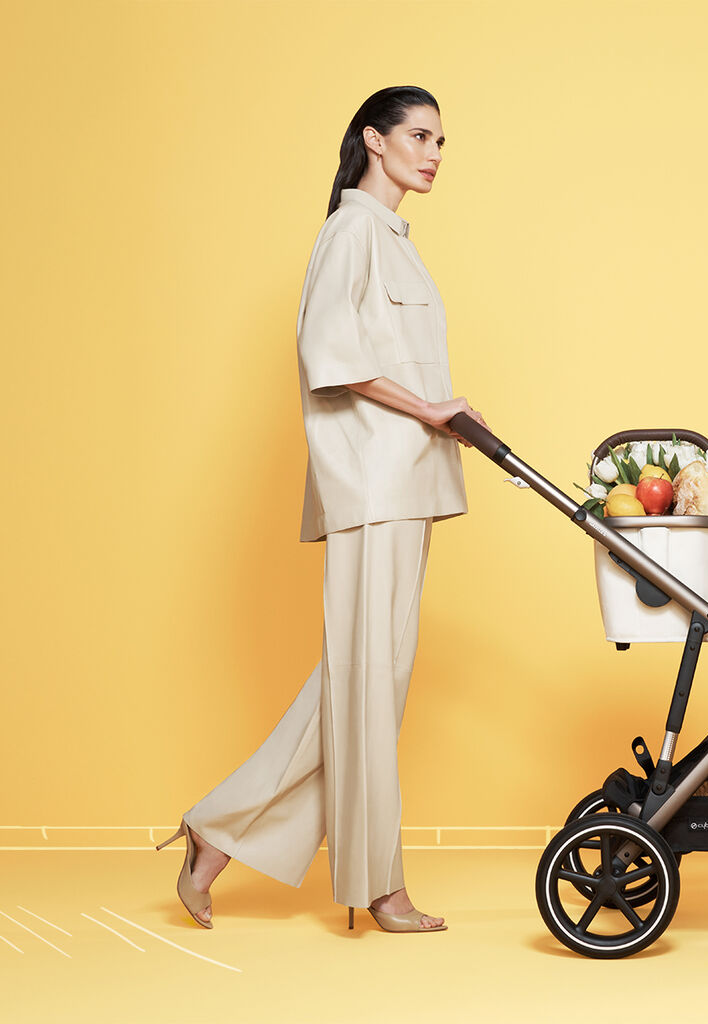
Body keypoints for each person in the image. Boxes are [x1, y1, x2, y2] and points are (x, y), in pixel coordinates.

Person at [155, 85, 484, 935]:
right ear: (374, 141)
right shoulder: (353, 233)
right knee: (368, 686)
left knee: (365, 683)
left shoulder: (396, 241)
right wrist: (430, 409)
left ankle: (216, 832)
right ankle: (381, 888)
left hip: (403, 484)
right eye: (419, 135)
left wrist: (442, 416)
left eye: (442, 139)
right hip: (374, 487)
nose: (435, 151)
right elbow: (329, 355)